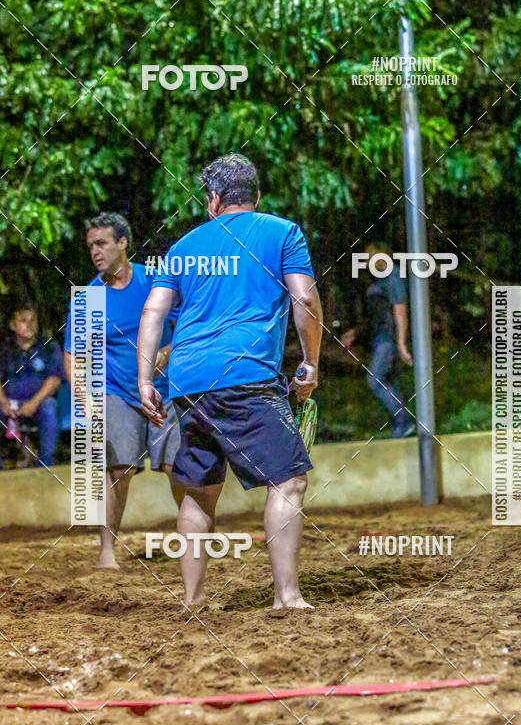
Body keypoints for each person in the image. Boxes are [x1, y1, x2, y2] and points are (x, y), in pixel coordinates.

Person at [137, 153, 322, 610]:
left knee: (199, 492)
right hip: (244, 375)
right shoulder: (281, 232)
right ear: (255, 196)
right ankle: (287, 596)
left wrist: (145, 380)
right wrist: (311, 362)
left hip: (187, 382)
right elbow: (304, 297)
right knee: (289, 481)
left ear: (214, 199)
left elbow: (153, 312)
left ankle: (194, 600)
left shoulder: (181, 249)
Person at [64, 212, 182, 569]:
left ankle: (194, 537)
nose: (95, 252)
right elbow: (72, 355)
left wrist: (169, 350)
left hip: (165, 389)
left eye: (102, 243)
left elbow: (185, 324)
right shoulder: (88, 297)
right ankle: (107, 551)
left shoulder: (154, 281)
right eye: (90, 246)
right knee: (118, 470)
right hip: (117, 390)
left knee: (177, 467)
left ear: (123, 243)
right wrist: (84, 398)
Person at [343, 243, 415, 438]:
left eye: (370, 256)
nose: (367, 262)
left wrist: (400, 342)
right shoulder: (381, 279)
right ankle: (402, 430)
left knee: (374, 380)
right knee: (391, 382)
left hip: (388, 339)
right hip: (379, 338)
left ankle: (404, 422)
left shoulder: (393, 275)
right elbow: (375, 314)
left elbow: (400, 308)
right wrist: (355, 333)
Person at [0, 304, 63, 468]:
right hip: (8, 404)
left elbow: (54, 380)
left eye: (33, 320)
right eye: (23, 320)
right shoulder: (5, 349)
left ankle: (45, 465)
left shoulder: (48, 346)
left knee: (49, 407)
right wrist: (3, 401)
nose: (30, 324)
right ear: (13, 325)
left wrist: (34, 403)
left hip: (38, 402)